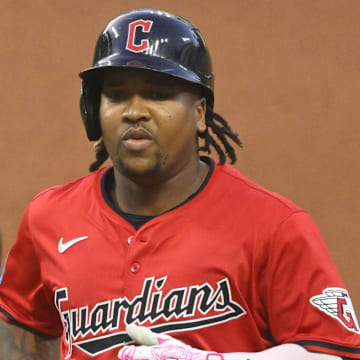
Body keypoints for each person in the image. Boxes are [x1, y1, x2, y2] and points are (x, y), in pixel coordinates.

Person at [0, 8, 359, 360]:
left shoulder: (274, 227)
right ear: (93, 111)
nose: (134, 111)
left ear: (200, 113)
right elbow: (19, 333)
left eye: (158, 95)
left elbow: (333, 352)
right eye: (116, 95)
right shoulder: (48, 219)